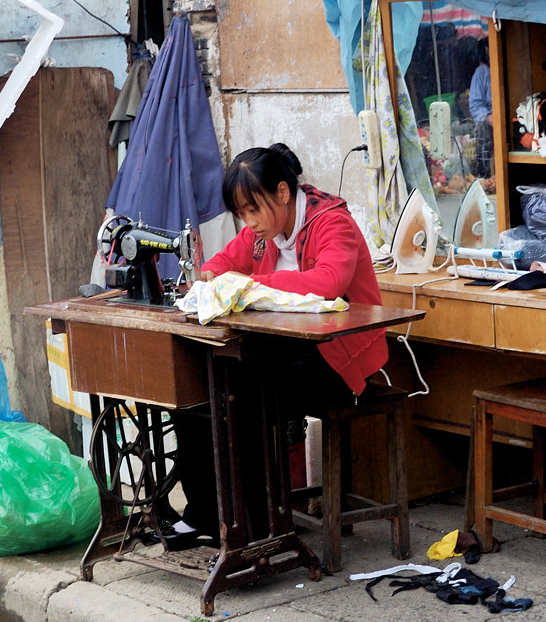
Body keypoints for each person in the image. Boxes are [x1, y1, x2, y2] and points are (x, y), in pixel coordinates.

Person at [161, 142, 388, 549]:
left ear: (283, 193)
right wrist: (208, 277)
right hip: (285, 351)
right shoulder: (262, 234)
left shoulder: (333, 224)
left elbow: (328, 282)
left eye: (253, 210)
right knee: (195, 391)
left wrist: (249, 285)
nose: (248, 223)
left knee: (245, 400)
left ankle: (260, 528)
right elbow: (222, 263)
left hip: (337, 356)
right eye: (242, 213)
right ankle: (206, 514)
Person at [468, 37, 494, 179]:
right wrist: (488, 117)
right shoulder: (482, 72)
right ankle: (485, 178)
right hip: (489, 125)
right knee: (483, 128)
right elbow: (475, 105)